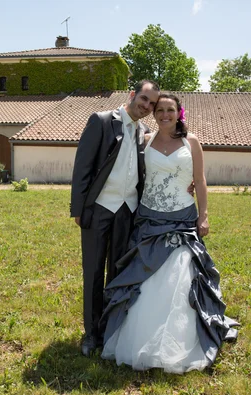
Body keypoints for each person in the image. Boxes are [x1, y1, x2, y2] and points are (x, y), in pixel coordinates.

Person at [100, 94, 239, 373]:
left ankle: (183, 340)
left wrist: (204, 215)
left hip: (183, 219)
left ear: (179, 113)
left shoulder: (192, 142)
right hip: (149, 218)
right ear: (155, 113)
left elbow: (199, 181)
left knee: (183, 276)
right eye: (160, 109)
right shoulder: (145, 140)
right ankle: (137, 338)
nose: (165, 114)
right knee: (145, 277)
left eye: (170, 110)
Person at [70, 80, 161, 357]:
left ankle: (112, 329)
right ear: (132, 95)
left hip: (128, 211)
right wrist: (78, 209)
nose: (146, 106)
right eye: (144, 99)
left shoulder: (145, 132)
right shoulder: (101, 121)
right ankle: (91, 334)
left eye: (152, 104)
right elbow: (82, 167)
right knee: (94, 273)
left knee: (118, 274)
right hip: (99, 208)